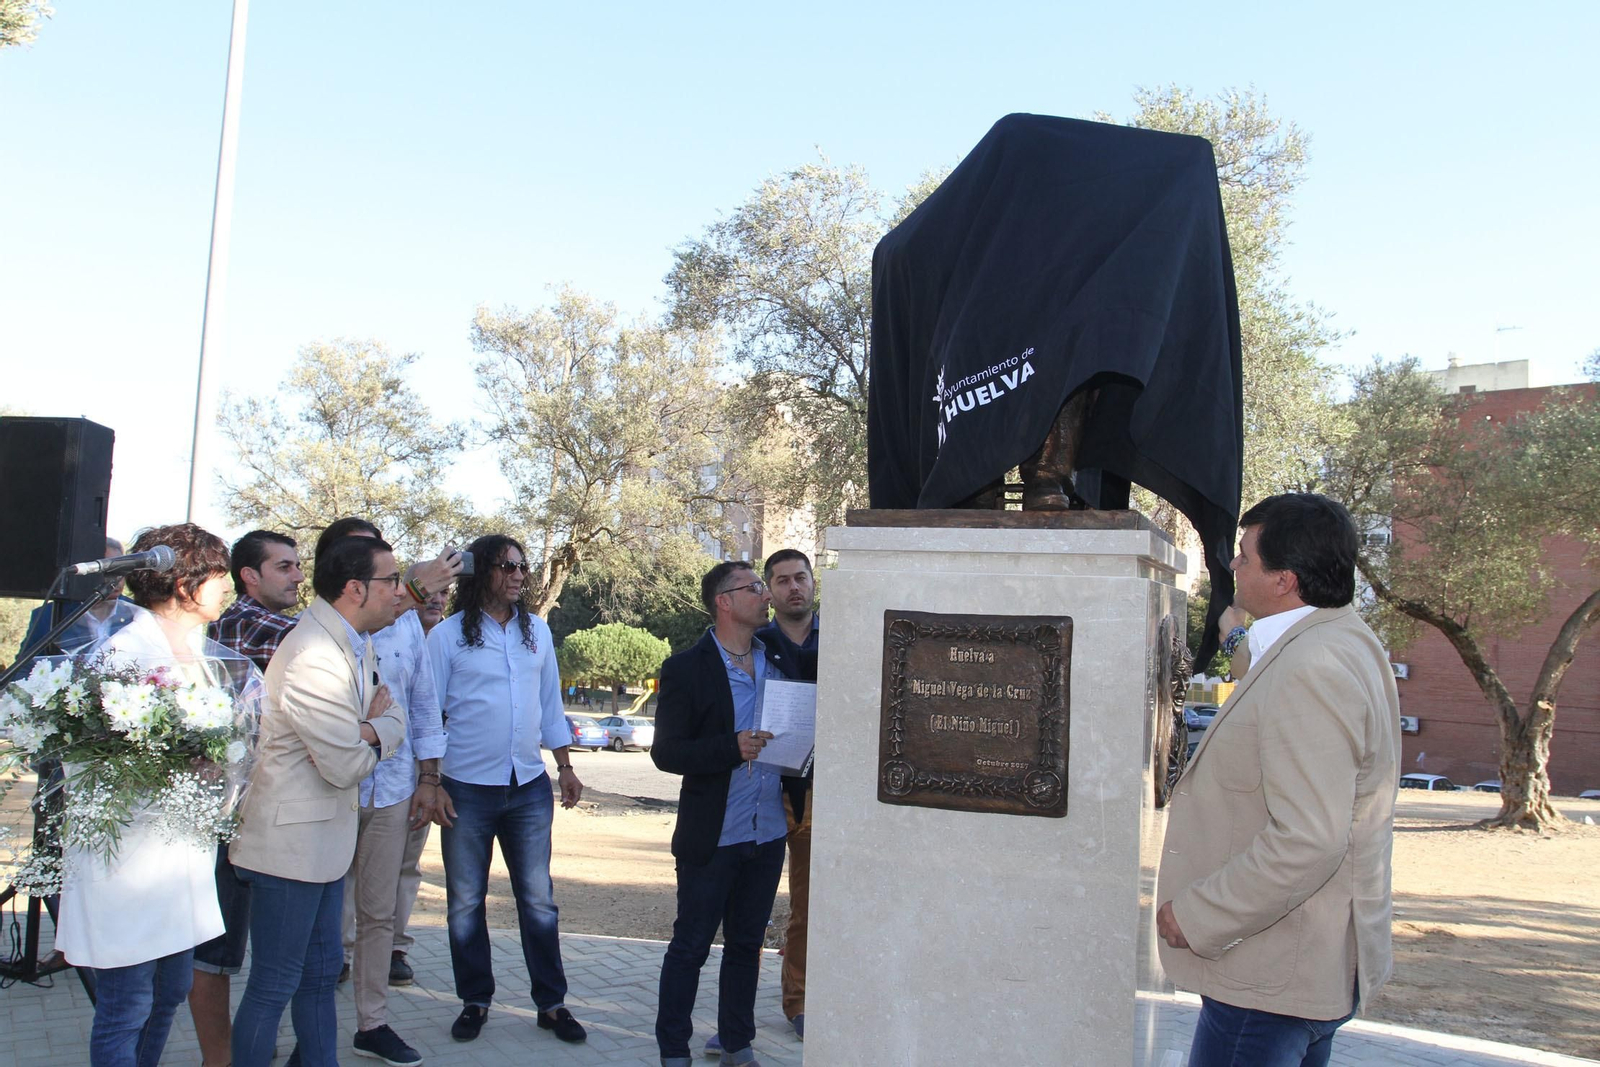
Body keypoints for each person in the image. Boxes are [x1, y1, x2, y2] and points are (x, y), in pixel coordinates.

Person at [1156, 493, 1401, 1067]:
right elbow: (1268, 674)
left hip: (1268, 981)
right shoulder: (1339, 638)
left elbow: (1309, 838)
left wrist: (1199, 915)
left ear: (1284, 579)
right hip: (1298, 973)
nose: (1233, 567)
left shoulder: (1312, 669)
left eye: (1244, 557)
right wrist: (1235, 636)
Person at [55, 524, 236, 1067]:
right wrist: (189, 761)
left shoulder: (200, 653)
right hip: (129, 859)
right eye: (220, 575)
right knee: (127, 1003)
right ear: (185, 584)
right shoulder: (123, 656)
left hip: (179, 857)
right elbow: (94, 761)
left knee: (169, 992)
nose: (226, 587)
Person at [228, 534, 409, 1067]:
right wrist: (378, 732)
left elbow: (396, 718)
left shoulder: (354, 641)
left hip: (325, 847)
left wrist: (370, 729)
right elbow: (346, 764)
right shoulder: (312, 654)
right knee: (274, 985)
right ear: (356, 588)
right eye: (391, 580)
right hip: (289, 851)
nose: (401, 592)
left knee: (318, 978)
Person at [427, 534, 587, 1046]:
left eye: (523, 566)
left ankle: (552, 1004)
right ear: (481, 573)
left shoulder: (537, 632)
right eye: (508, 566)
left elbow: (550, 707)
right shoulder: (447, 637)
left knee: (538, 900)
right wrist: (430, 781)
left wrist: (564, 766)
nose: (520, 574)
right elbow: (427, 714)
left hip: (528, 787)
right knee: (465, 902)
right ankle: (475, 1000)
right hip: (466, 788)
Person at [318, 519, 454, 1067]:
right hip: (329, 790)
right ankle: (311, 1021)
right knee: (323, 913)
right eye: (388, 577)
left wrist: (429, 778)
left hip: (394, 789)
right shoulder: (327, 627)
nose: (396, 586)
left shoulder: (406, 627)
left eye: (399, 576)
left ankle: (371, 1023)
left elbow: (423, 702)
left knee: (377, 914)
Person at [652, 561, 784, 1067]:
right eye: (754, 588)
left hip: (767, 831)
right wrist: (731, 748)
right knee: (691, 946)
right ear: (724, 601)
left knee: (747, 945)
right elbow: (667, 753)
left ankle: (735, 1042)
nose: (765, 595)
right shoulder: (686, 667)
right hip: (713, 835)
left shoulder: (775, 660)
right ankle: (673, 1049)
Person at [191, 528, 305, 1067]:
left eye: (299, 565)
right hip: (233, 815)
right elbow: (332, 641)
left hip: (261, 809)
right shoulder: (248, 622)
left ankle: (235, 1052)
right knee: (219, 953)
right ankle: (225, 1058)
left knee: (247, 953)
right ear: (249, 577)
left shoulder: (269, 624)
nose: (298, 576)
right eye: (284, 567)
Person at [751, 549, 817, 1045]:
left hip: (820, 795)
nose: (793, 587)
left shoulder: (842, 639)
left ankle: (799, 1004)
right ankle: (734, 1018)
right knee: (747, 909)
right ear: (769, 591)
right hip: (764, 791)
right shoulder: (754, 643)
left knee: (809, 910)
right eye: (781, 580)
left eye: (800, 578)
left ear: (813, 583)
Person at [389, 576, 450, 984]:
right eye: (427, 590)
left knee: (406, 865)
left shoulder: (452, 640)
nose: (436, 599)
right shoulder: (387, 633)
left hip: (425, 770)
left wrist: (433, 776)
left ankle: (394, 947)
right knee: (354, 866)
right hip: (381, 765)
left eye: (444, 592)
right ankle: (341, 951)